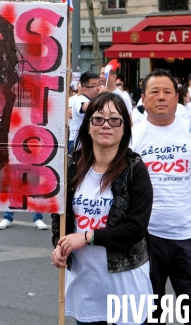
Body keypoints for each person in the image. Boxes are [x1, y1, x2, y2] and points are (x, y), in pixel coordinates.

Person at [51, 92, 153, 325]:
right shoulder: (72, 166)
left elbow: (136, 229)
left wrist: (86, 237)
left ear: (125, 128)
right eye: (98, 119)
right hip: (85, 285)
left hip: (125, 286)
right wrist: (59, 245)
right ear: (88, 127)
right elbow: (60, 216)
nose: (106, 125)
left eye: (114, 119)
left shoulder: (135, 169)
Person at [131, 69, 191, 324]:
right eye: (154, 92)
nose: (161, 97)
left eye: (167, 92)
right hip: (144, 239)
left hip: (186, 238)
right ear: (143, 98)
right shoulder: (132, 136)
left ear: (177, 98)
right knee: (147, 315)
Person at [71, 72, 102, 149]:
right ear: (85, 89)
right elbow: (86, 106)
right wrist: (102, 97)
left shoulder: (96, 100)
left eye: (99, 84)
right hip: (82, 147)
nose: (98, 88)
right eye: (94, 85)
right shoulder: (79, 99)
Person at [67, 81, 83, 154]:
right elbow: (70, 114)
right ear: (77, 86)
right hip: (74, 136)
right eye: (80, 84)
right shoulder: (72, 99)